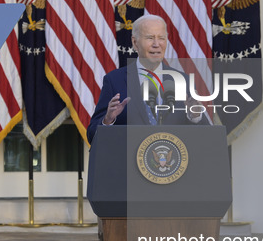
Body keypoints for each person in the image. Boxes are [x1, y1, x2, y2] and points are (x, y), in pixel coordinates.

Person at [87, 15, 207, 144]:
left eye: (161, 38)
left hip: (171, 161)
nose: (156, 44)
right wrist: (108, 120)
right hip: (127, 162)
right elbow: (92, 135)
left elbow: (205, 137)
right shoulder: (114, 81)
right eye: (150, 38)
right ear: (135, 42)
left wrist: (194, 116)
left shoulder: (183, 81)